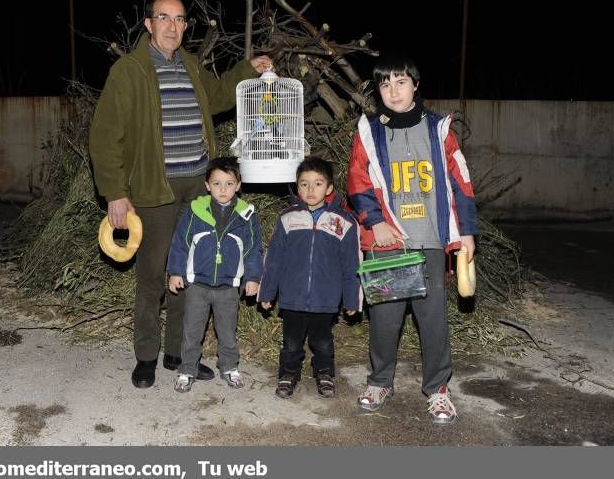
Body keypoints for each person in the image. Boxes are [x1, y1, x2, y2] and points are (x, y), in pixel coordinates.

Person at [89, 0, 272, 389]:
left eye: (180, 19)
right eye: (163, 18)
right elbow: (104, 138)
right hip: (155, 187)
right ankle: (145, 357)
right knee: (154, 276)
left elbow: (220, 97)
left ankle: (177, 354)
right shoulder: (129, 71)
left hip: (198, 189)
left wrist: (247, 69)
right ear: (149, 24)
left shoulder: (191, 65)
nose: (172, 26)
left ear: (186, 27)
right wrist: (115, 193)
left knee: (190, 272)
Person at [346, 53, 478, 425]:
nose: (393, 90)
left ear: (415, 85)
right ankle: (379, 382)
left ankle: (437, 390)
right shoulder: (368, 131)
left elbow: (461, 181)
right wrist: (375, 222)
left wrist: (466, 232)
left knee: (433, 319)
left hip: (430, 241)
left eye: (401, 81)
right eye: (385, 83)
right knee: (385, 320)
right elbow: (356, 181)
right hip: (388, 245)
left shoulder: (438, 129)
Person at [257, 157, 361, 399]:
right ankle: (288, 373)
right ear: (297, 187)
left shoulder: (344, 222)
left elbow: (351, 264)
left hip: (326, 297)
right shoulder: (287, 218)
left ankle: (324, 373)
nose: (310, 190)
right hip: (292, 296)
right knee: (291, 342)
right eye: (304, 184)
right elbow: (274, 259)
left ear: (330, 188)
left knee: (322, 341)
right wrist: (267, 292)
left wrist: (352, 300)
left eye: (317, 183)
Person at [166, 157, 262, 392]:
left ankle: (229, 366)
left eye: (229, 184)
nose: (223, 189)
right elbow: (181, 243)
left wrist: (252, 277)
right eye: (217, 183)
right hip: (197, 284)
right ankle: (188, 369)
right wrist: (175, 271)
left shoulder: (246, 215)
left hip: (229, 286)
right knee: (192, 330)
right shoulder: (195, 211)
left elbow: (252, 249)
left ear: (238, 185)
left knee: (228, 331)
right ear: (207, 185)